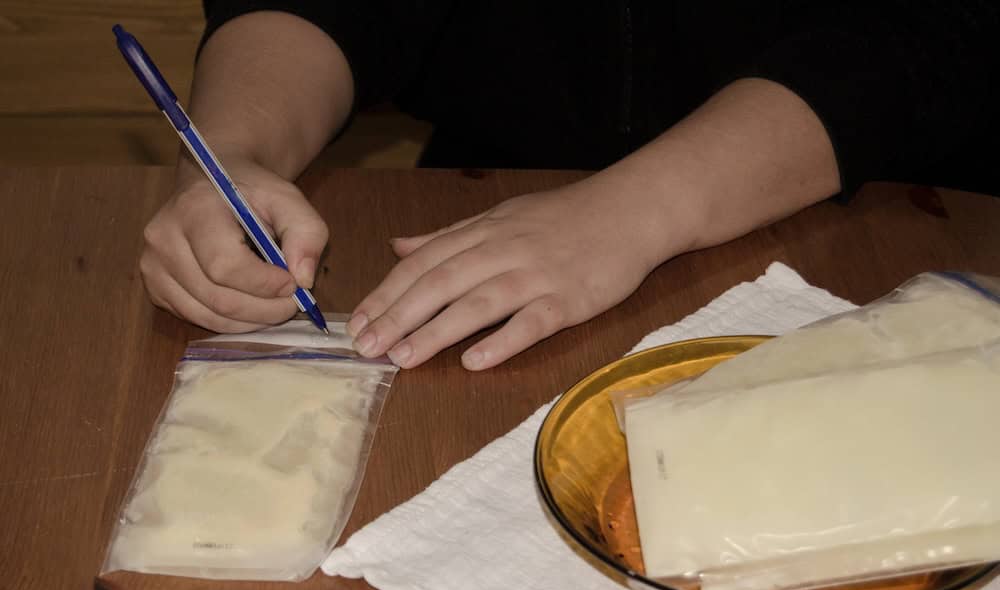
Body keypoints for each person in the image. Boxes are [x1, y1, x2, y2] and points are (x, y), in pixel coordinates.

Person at [140, 2, 1000, 370]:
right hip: (489, 194)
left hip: (895, 213)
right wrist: (234, 150)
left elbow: (927, 36)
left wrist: (639, 208)